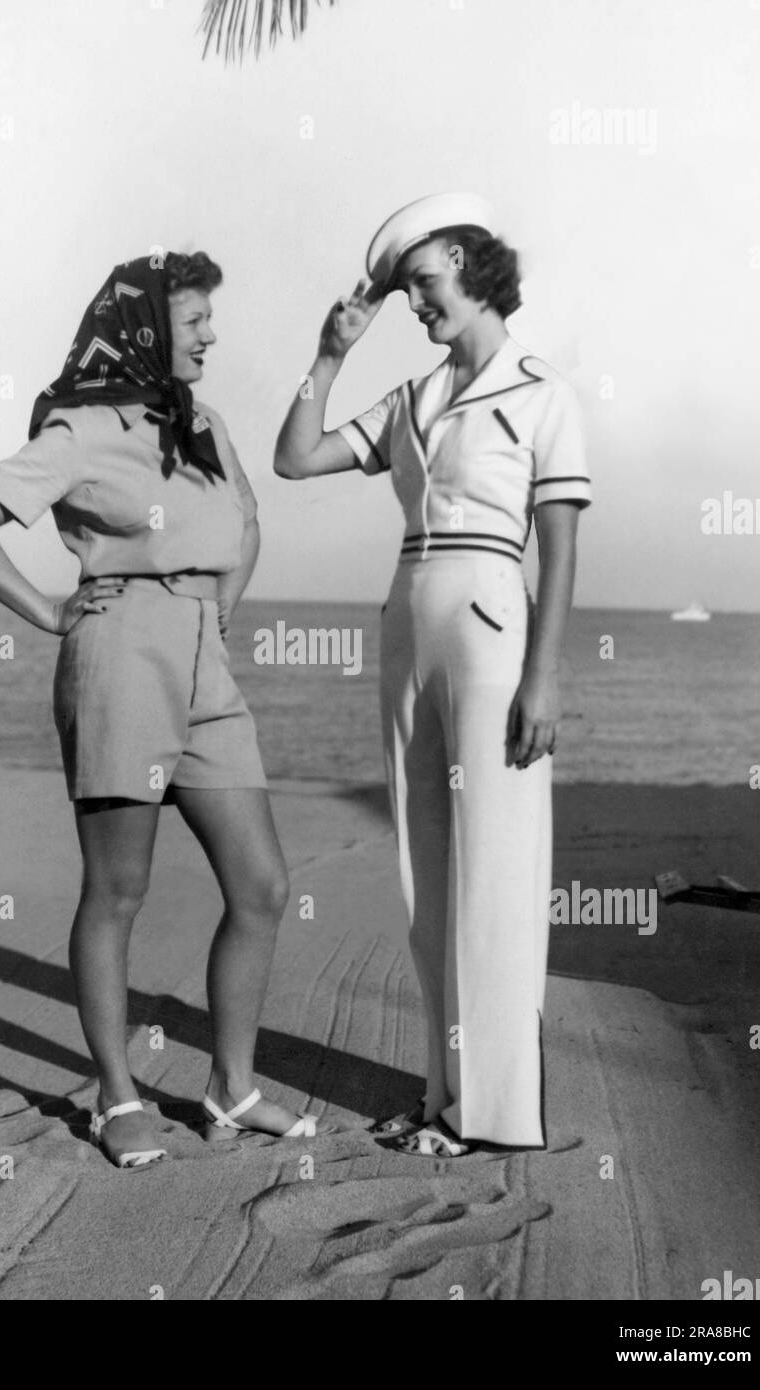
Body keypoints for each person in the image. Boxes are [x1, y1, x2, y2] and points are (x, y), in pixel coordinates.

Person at [0, 251, 326, 1168]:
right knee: (119, 890)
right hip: (119, 654)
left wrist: (216, 613)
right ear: (148, 325)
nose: (211, 336)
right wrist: (47, 610)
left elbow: (248, 521)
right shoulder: (79, 429)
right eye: (194, 321)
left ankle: (231, 1090)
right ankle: (116, 1097)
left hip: (204, 659)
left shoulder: (204, 423)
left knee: (264, 885)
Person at [275, 193, 592, 1156]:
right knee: (428, 879)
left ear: (466, 260)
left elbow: (560, 546)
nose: (416, 305)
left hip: (494, 634)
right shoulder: (412, 399)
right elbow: (296, 459)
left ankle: (498, 1114)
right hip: (407, 630)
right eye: (408, 291)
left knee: (495, 872)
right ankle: (444, 1094)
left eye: (423, 283)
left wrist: (544, 677)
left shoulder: (544, 393)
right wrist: (329, 358)